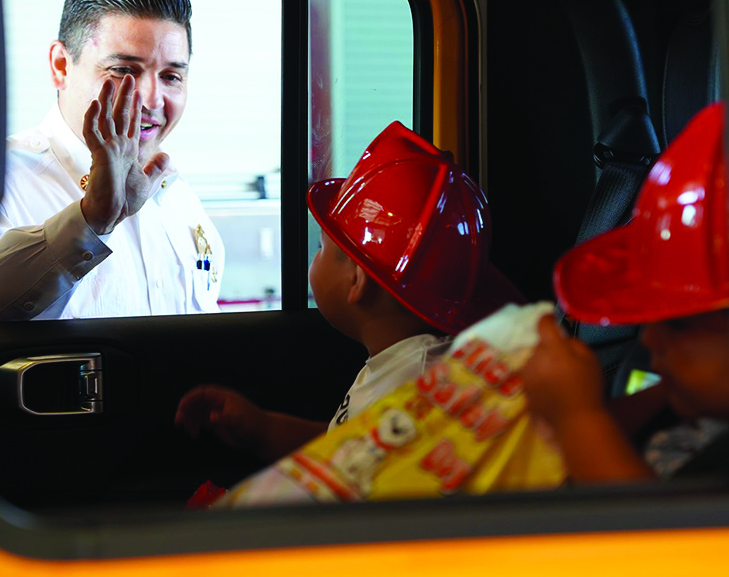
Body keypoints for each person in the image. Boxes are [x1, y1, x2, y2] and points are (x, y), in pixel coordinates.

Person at [174, 122, 524, 465]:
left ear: (356, 281)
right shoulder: (401, 364)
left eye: (322, 247)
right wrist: (263, 429)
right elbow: (345, 446)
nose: (315, 255)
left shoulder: (413, 396)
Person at [521, 102, 729, 483]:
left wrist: (576, 416)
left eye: (679, 323)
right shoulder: (709, 408)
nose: (650, 337)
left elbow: (655, 534)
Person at [0, 0, 225, 321]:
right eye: (124, 71)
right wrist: (90, 220)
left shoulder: (181, 199)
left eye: (171, 76)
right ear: (61, 66)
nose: (151, 100)